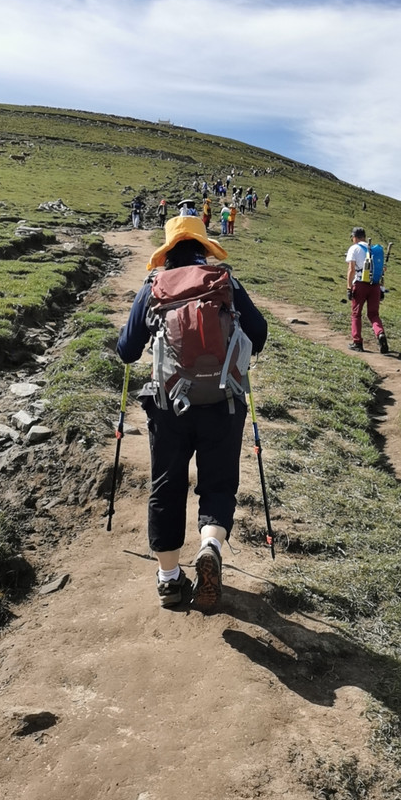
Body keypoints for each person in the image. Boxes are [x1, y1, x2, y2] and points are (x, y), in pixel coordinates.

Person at [116, 216, 268, 611]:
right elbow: (260, 334)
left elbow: (128, 350)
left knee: (166, 486)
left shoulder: (153, 286)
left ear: (168, 251)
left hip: (169, 407)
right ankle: (211, 545)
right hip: (224, 403)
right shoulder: (225, 281)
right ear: (204, 248)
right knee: (218, 483)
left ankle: (168, 581)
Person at [345, 227, 389, 354]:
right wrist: (381, 288)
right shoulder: (374, 250)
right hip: (375, 285)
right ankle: (380, 334)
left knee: (356, 313)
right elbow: (381, 271)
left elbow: (351, 270)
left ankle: (357, 342)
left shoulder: (354, 248)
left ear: (355, 237)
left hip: (360, 284)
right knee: (373, 314)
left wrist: (349, 287)